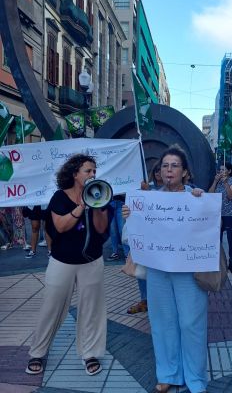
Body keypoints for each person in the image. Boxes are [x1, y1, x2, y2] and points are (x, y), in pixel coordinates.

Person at [125, 145, 208, 393]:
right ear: (159, 172)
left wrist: (203, 204)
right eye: (165, 166)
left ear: (185, 172)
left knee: (192, 323)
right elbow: (132, 237)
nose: (169, 170)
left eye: (175, 165)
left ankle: (195, 379)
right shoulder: (148, 200)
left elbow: (208, 227)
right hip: (158, 271)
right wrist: (130, 216)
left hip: (189, 271)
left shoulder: (197, 197)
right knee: (162, 322)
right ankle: (168, 374)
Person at [25, 154, 109, 377]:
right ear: (74, 174)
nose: (92, 175)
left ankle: (90, 353)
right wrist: (82, 206)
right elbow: (60, 226)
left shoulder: (100, 194)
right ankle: (38, 352)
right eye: (87, 171)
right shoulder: (59, 197)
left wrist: (99, 207)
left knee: (92, 309)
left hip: (91, 260)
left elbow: (101, 229)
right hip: (62, 261)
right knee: (52, 307)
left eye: (94, 171)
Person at [126, 161, 163, 315]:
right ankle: (145, 299)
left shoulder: (177, 191)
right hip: (146, 238)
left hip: (163, 241)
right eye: (156, 171)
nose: (159, 173)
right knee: (142, 270)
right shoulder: (145, 187)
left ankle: (158, 302)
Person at [208, 162, 232, 242]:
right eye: (220, 170)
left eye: (223, 169)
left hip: (229, 214)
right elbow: (210, 195)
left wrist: (225, 183)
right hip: (218, 214)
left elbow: (230, 196)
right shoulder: (218, 182)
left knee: (230, 238)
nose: (221, 171)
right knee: (217, 237)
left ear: (229, 171)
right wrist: (215, 181)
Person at [107, 194, 129, 261]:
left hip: (122, 202)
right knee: (112, 230)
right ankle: (115, 252)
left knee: (122, 229)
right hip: (110, 203)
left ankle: (127, 254)